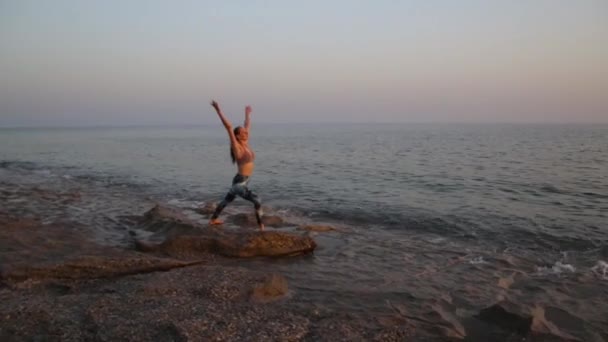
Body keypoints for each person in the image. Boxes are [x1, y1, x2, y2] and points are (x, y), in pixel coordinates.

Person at [208, 100, 264, 230]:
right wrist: (218, 110)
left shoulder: (245, 143)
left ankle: (213, 220)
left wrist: (247, 113)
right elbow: (228, 127)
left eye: (246, 132)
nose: (246, 133)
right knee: (257, 200)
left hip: (242, 179)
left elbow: (247, 125)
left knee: (227, 200)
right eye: (243, 132)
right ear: (237, 136)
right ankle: (261, 227)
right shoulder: (237, 147)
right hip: (240, 182)